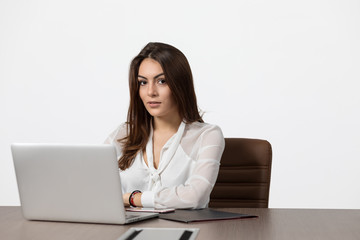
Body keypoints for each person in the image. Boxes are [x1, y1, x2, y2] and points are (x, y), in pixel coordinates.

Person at [105, 42, 225, 209]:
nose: (150, 92)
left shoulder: (207, 135)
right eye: (143, 82)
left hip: (183, 231)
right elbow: (90, 185)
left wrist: (133, 198)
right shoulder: (123, 133)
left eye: (161, 81)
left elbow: (195, 197)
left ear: (180, 85)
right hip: (127, 230)